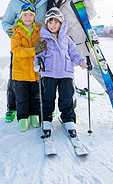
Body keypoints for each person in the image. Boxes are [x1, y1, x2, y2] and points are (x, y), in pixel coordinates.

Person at [2, 0, 48, 122]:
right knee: (16, 78)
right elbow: (6, 22)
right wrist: (10, 30)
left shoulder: (44, 0)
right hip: (21, 44)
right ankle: (12, 108)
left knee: (39, 78)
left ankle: (40, 108)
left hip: (39, 44)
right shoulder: (15, 3)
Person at [35, 8, 87, 137]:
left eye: (56, 22)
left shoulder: (67, 40)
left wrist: (81, 62)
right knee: (47, 98)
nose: (53, 25)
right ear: (47, 24)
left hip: (65, 74)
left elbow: (74, 54)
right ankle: (46, 119)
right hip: (49, 74)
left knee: (66, 98)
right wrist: (37, 62)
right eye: (50, 22)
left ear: (61, 24)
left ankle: (68, 119)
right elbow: (39, 55)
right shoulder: (44, 41)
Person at [47, 0, 105, 90]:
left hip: (83, 46)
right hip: (66, 49)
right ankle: (72, 104)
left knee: (99, 72)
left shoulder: (71, 3)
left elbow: (90, 15)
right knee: (67, 80)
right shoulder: (50, 7)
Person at [11, 4, 47, 132]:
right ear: (21, 17)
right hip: (20, 70)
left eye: (31, 15)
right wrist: (33, 50)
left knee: (35, 95)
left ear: (34, 17)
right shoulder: (17, 31)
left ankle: (34, 115)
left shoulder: (38, 30)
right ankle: (22, 117)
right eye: (25, 15)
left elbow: (44, 45)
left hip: (35, 70)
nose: (28, 17)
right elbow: (16, 50)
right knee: (22, 96)